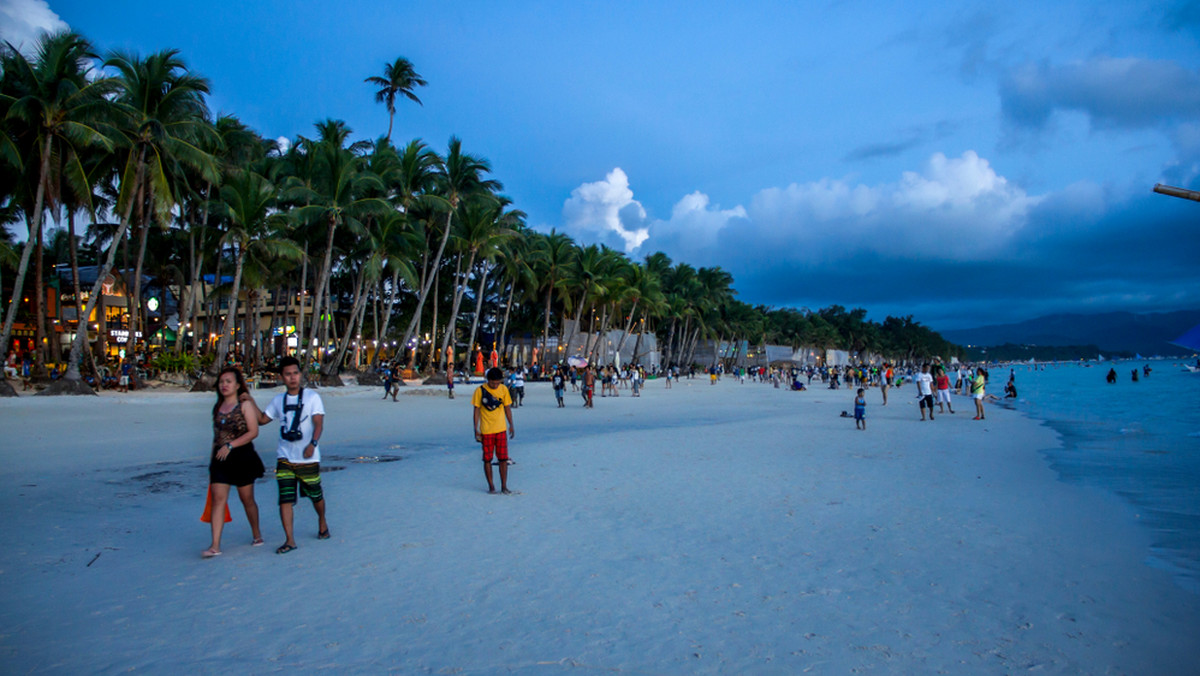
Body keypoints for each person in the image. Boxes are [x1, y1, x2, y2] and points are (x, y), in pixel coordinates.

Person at [254, 356, 329, 554]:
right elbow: (262, 420)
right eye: (288, 374)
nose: (292, 377)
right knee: (285, 499)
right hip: (285, 456)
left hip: (308, 457)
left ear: (300, 375)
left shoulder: (313, 398)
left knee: (315, 495)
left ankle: (322, 521)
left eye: (295, 373)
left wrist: (313, 443)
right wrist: (249, 400)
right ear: (282, 377)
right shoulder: (279, 400)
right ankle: (290, 540)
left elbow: (319, 423)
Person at [202, 367, 266, 558]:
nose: (224, 385)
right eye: (222, 382)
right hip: (220, 459)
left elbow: (253, 432)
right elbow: (217, 436)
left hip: (242, 458)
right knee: (218, 500)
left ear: (238, 385)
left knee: (246, 499)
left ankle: (256, 534)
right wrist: (213, 459)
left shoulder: (244, 405)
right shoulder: (218, 407)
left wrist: (231, 445)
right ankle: (215, 545)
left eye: (229, 381)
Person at [473, 367, 514, 494]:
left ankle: (504, 486)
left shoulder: (504, 389)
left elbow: (507, 408)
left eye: (498, 383)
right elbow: (476, 410)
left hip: (501, 428)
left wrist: (511, 424)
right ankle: (491, 486)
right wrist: (476, 429)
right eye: (493, 383)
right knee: (487, 459)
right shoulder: (480, 391)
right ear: (487, 380)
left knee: (503, 459)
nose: (495, 385)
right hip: (486, 430)